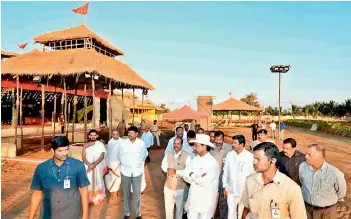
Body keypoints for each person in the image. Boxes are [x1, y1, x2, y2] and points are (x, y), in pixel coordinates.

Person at [241, 142, 307, 219]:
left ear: (272, 161)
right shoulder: (250, 181)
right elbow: (246, 210)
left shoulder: (291, 188)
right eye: (254, 158)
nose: (254, 162)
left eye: (258, 159)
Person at [29, 136, 89, 219]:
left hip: (71, 214)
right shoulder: (42, 168)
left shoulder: (78, 165)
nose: (64, 153)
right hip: (48, 214)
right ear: (53, 150)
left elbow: (84, 190)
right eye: (60, 151)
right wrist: (30, 217)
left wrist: (85, 215)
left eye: (66, 149)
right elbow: (36, 194)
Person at [299, 144, 346, 219]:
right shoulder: (302, 167)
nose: (305, 156)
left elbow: (341, 193)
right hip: (307, 210)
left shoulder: (335, 173)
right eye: (306, 153)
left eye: (309, 154)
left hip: (327, 213)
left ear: (319, 156)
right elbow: (302, 182)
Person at [184, 134, 219, 219]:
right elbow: (185, 176)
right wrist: (197, 178)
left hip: (205, 201)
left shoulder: (212, 163)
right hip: (193, 200)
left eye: (196, 145)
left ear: (204, 146)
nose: (194, 147)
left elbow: (204, 182)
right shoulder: (195, 160)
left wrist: (192, 175)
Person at [118, 126, 148, 219]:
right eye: (129, 132)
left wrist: (137, 163)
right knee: (126, 193)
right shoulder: (123, 143)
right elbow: (119, 155)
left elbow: (144, 155)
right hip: (125, 171)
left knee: (136, 193)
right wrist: (126, 163)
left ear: (136, 134)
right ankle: (127, 213)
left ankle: (138, 214)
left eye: (132, 133)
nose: (129, 134)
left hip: (137, 171)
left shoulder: (141, 143)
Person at [222, 135, 254, 219]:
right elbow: (226, 171)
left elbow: (252, 174)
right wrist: (225, 186)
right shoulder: (230, 155)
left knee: (242, 213)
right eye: (232, 142)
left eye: (235, 143)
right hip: (231, 189)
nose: (232, 145)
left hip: (244, 190)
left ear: (242, 144)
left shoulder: (250, 157)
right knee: (231, 212)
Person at [161, 137, 192, 219]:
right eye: (175, 143)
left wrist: (176, 172)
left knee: (179, 209)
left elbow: (188, 171)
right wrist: (167, 169)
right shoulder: (168, 154)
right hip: (168, 185)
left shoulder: (187, 156)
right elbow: (163, 166)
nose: (176, 145)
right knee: (168, 208)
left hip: (180, 187)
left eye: (178, 144)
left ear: (181, 145)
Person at [210, 131, 232, 219]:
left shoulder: (229, 148)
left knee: (223, 200)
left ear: (223, 139)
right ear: (214, 139)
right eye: (217, 139)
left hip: (224, 177)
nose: (218, 141)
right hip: (212, 178)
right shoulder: (210, 148)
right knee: (212, 199)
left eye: (220, 139)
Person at [82, 129, 107, 205]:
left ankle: (98, 198)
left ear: (97, 136)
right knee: (88, 181)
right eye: (91, 135)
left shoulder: (100, 144)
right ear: (89, 136)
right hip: (87, 166)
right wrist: (89, 165)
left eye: (94, 135)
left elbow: (102, 156)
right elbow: (83, 157)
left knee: (98, 180)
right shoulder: (85, 145)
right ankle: (89, 198)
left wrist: (93, 165)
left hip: (97, 166)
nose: (93, 137)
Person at [105, 130, 124, 199]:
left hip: (120, 163)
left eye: (117, 134)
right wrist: (107, 163)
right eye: (114, 134)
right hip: (111, 164)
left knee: (118, 177)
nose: (115, 136)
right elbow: (108, 153)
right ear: (112, 135)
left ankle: (115, 191)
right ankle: (112, 191)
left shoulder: (123, 142)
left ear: (119, 134)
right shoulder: (110, 142)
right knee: (111, 177)